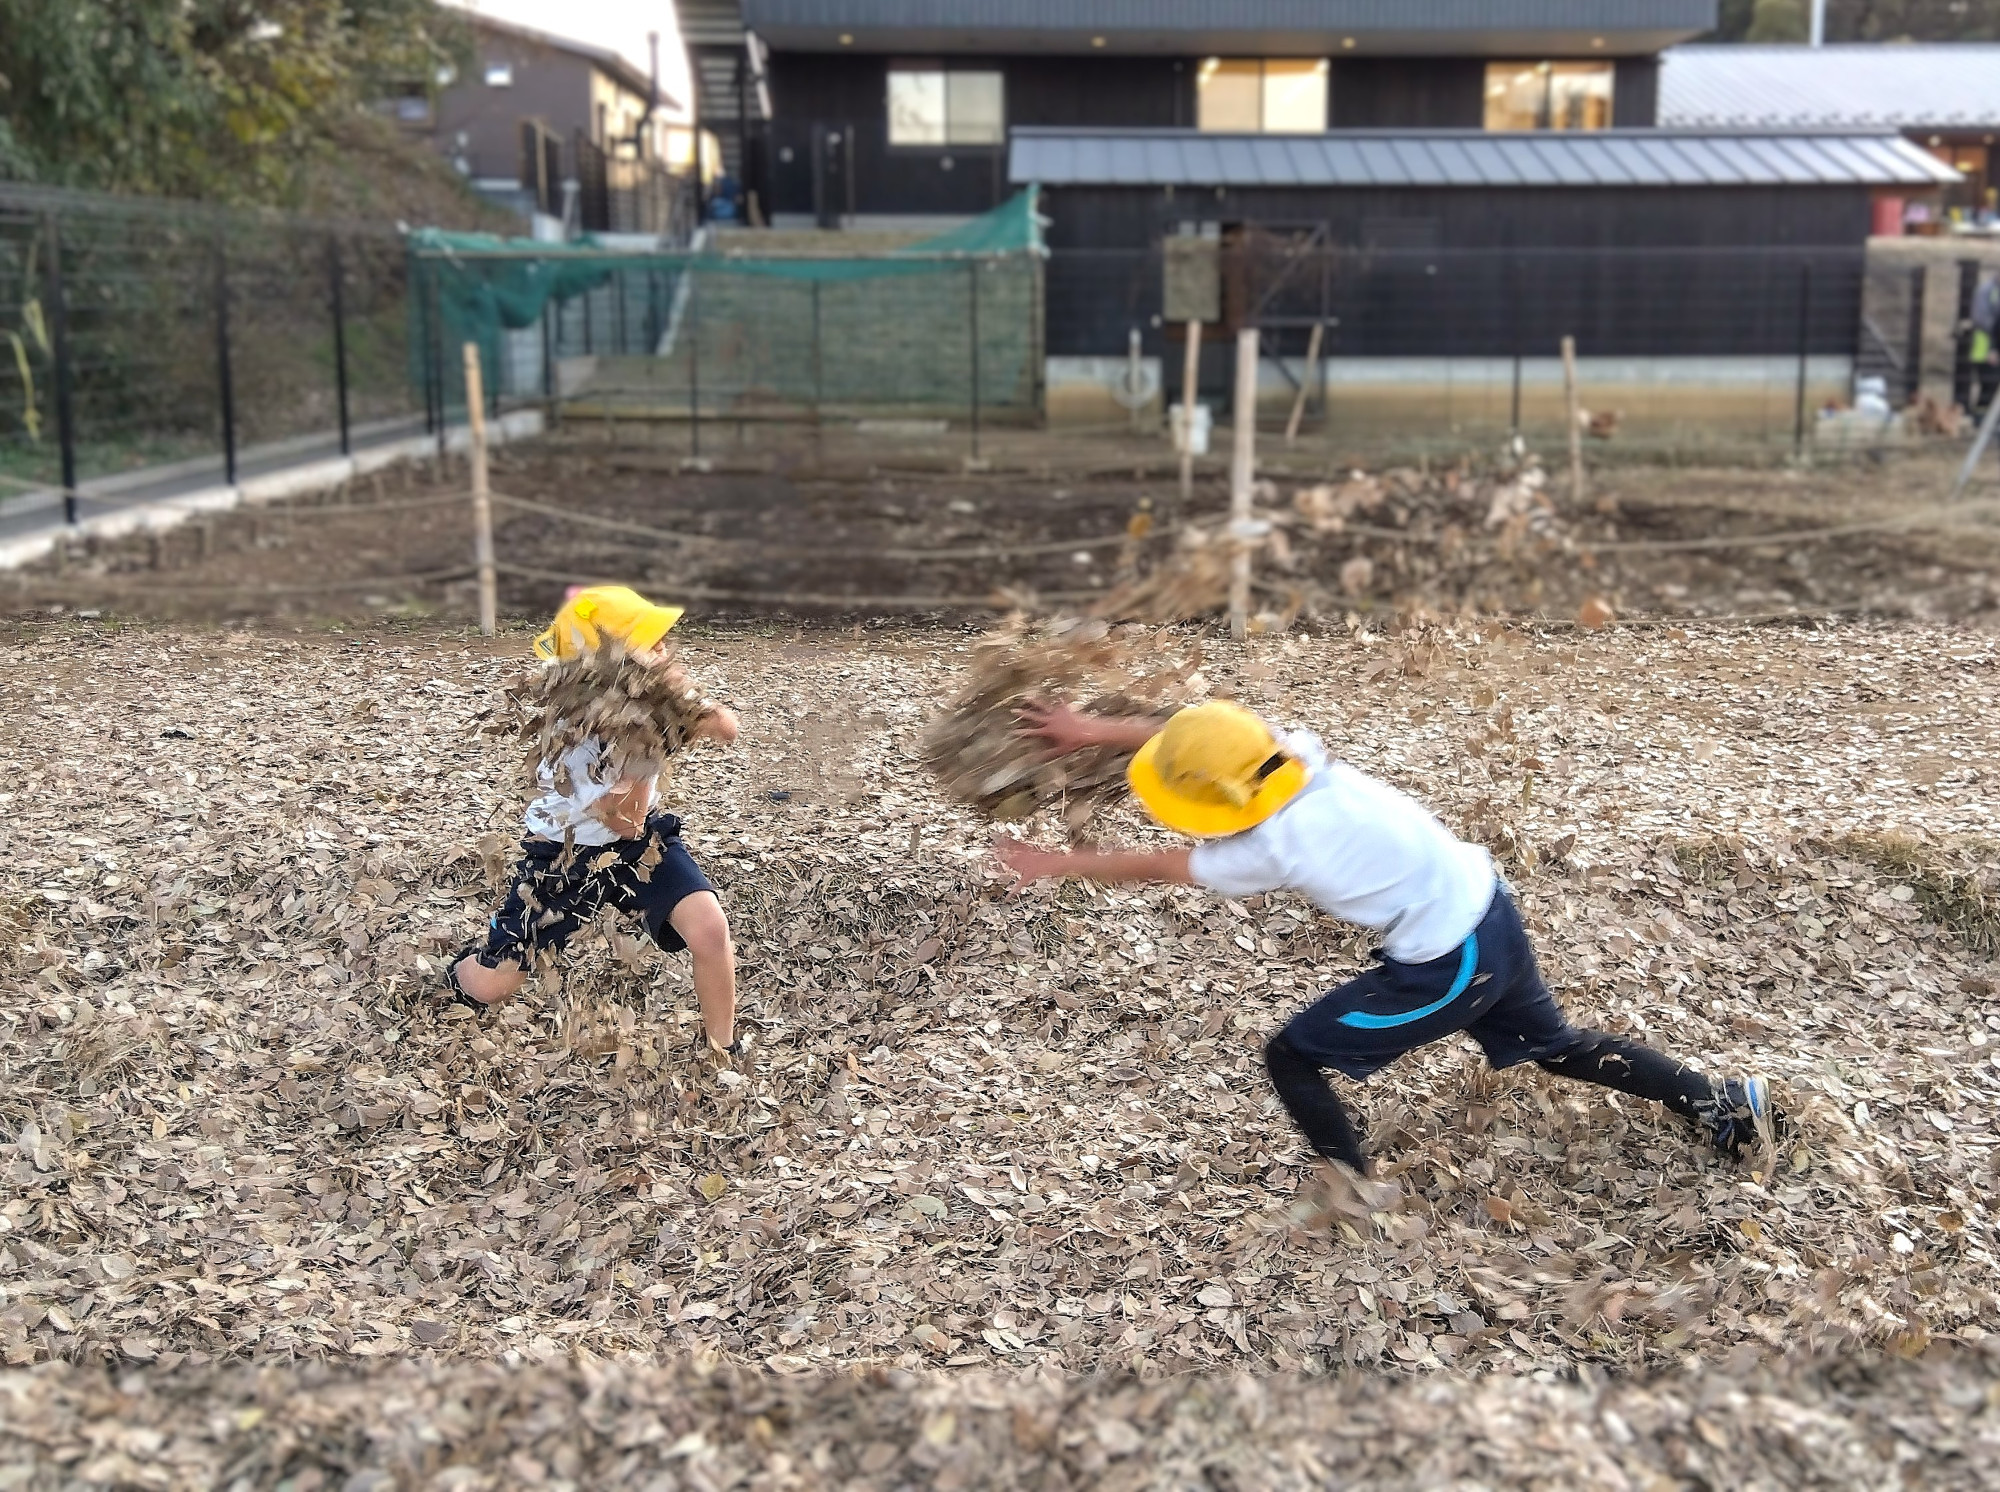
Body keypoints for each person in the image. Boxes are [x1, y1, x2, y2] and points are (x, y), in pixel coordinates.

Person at [994, 699, 1772, 1182]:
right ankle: (1726, 1103)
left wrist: (1059, 863)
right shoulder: (1295, 756)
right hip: (1486, 906)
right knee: (1559, 1047)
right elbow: (1191, 734)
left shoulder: (1270, 848)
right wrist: (1090, 731)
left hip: (1448, 963)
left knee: (1291, 1054)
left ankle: (1348, 1186)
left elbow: (1162, 864)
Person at [447, 586, 743, 1053]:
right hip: (564, 856)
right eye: (651, 644)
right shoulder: (574, 733)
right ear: (610, 665)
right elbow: (620, 815)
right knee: (492, 986)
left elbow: (727, 729)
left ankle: (721, 1048)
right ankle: (463, 969)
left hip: (636, 847)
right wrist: (645, 756)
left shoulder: (652, 706)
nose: (664, 650)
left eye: (664, 641)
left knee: (709, 929)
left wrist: (682, 704)